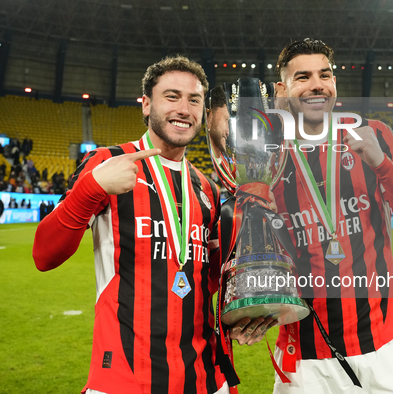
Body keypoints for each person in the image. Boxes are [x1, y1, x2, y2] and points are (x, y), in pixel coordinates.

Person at [33, 56, 250, 394]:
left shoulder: (206, 187)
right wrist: (91, 188)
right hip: (125, 379)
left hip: (204, 379)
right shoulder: (108, 163)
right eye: (172, 96)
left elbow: (209, 284)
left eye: (194, 100)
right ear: (147, 104)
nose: (184, 108)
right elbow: (44, 255)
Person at [269, 38, 393, 393]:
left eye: (324, 74)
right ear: (282, 89)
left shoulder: (374, 135)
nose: (316, 84)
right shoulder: (267, 155)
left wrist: (381, 163)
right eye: (302, 77)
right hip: (304, 357)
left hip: (383, 347)